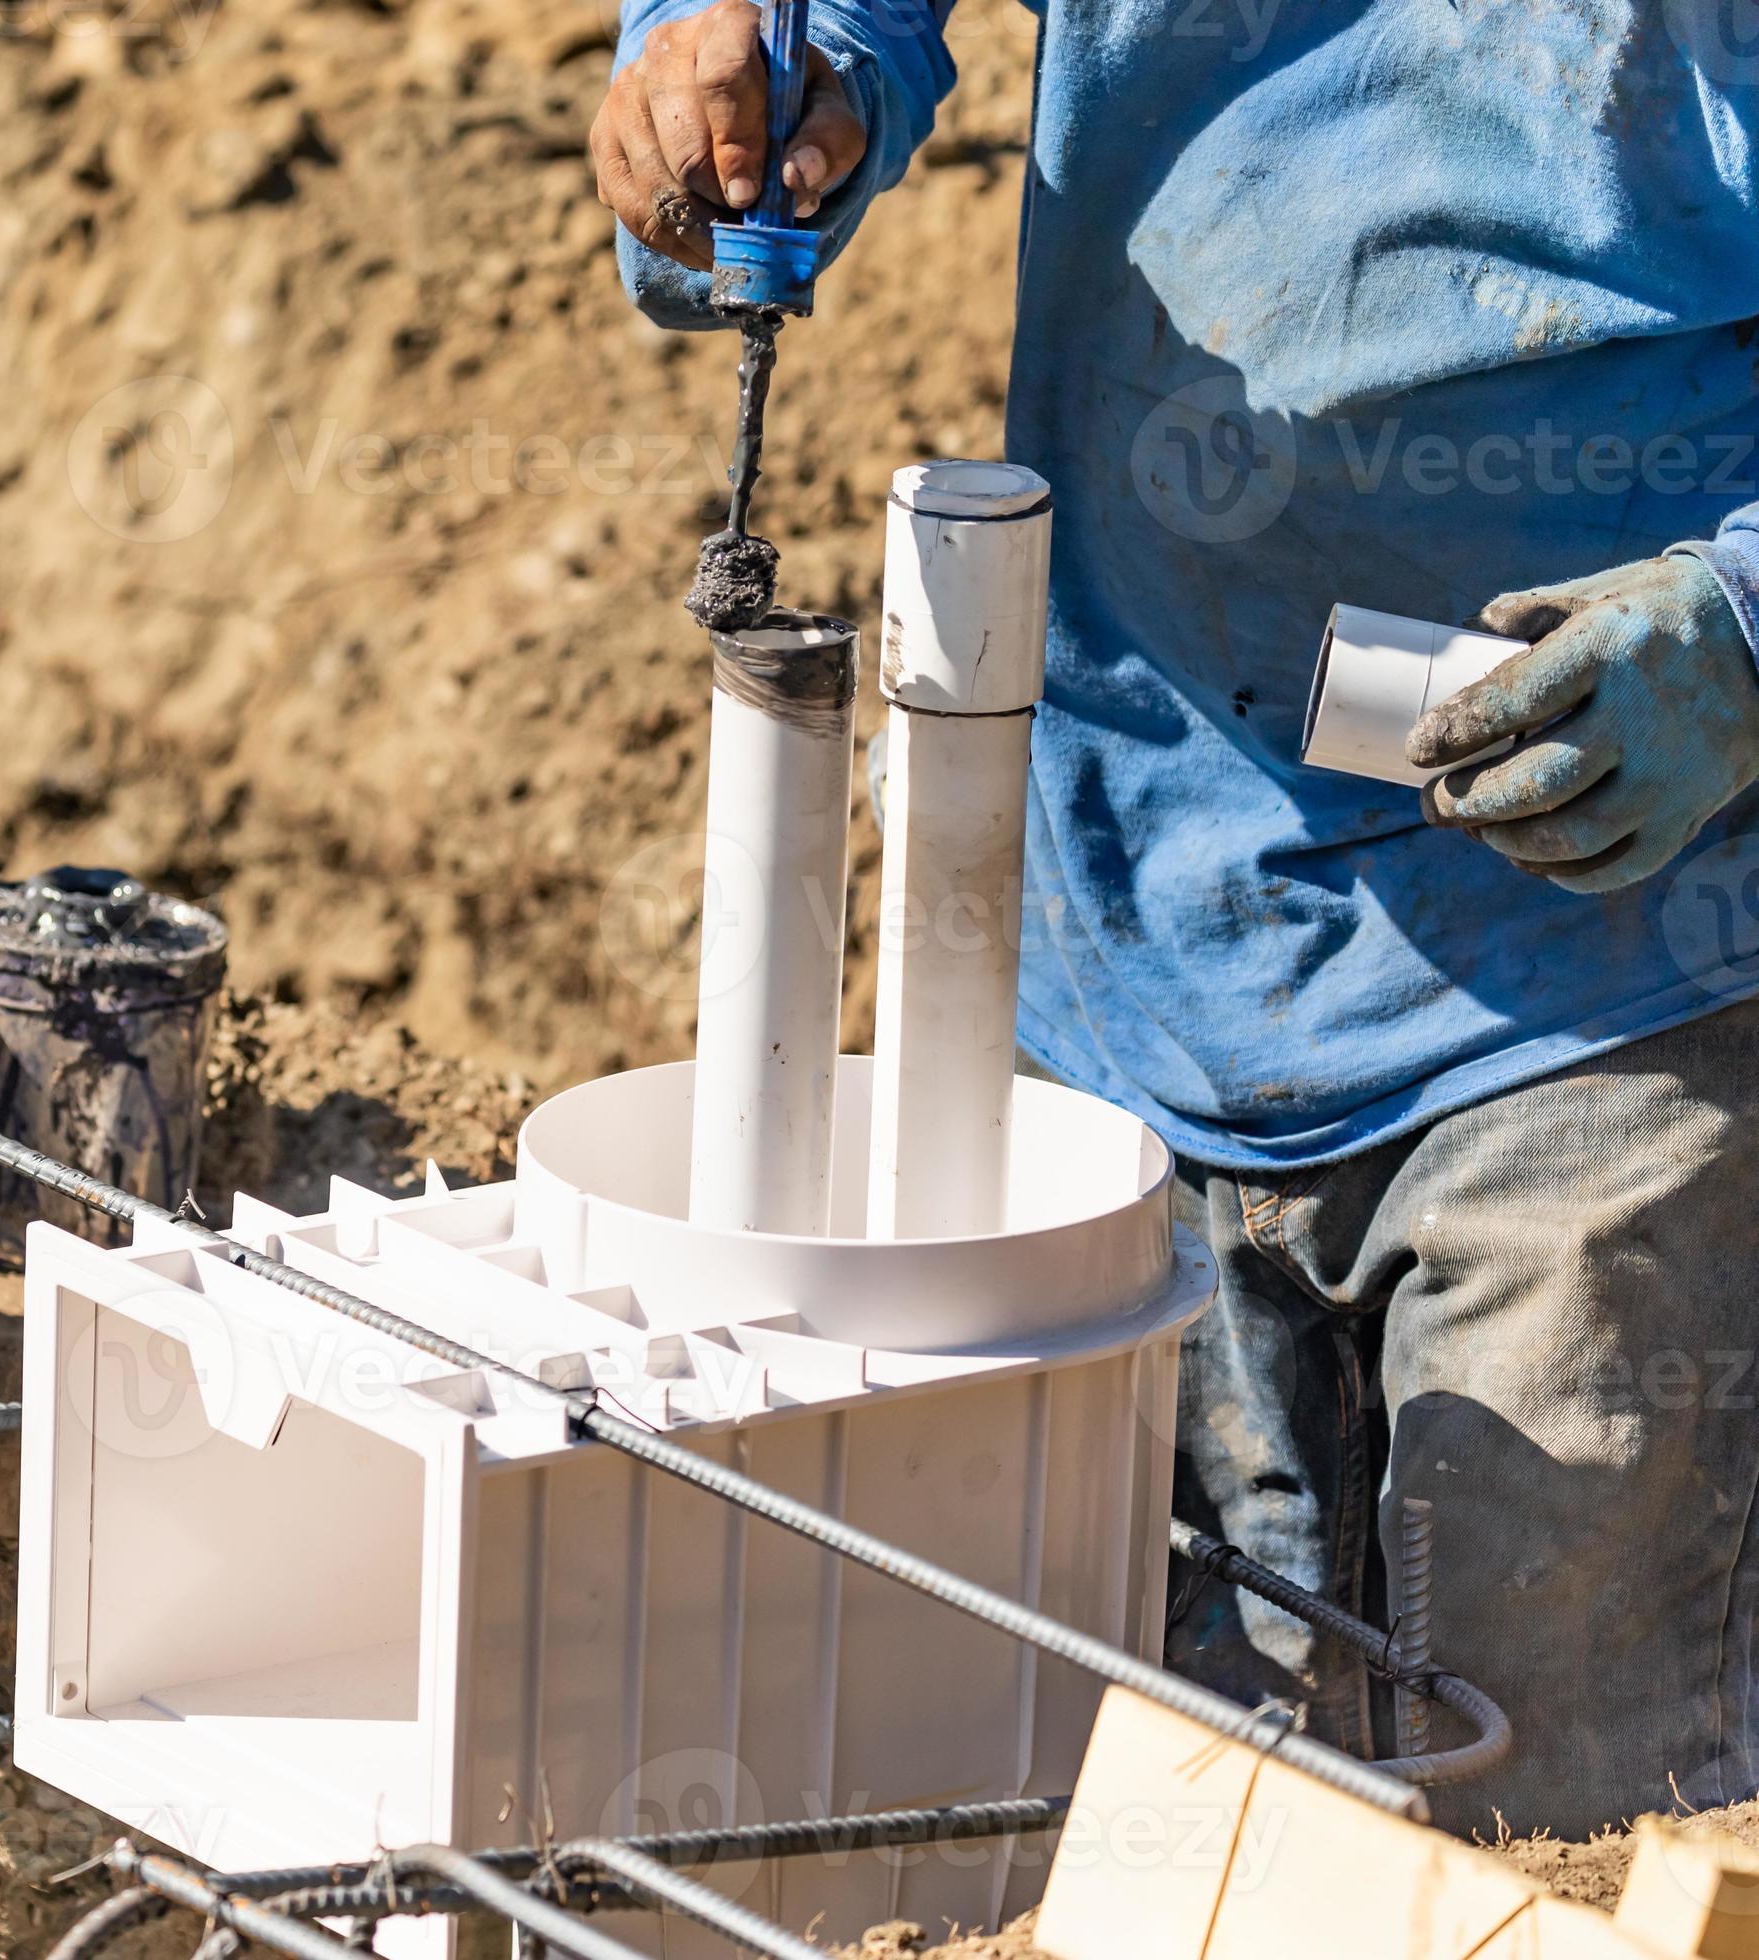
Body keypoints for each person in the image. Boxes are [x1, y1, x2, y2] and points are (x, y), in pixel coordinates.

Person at [594, 0, 1759, 1835]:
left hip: (1598, 994)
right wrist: (766, 63)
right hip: (1120, 950)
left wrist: (1745, 631)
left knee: (1557, 1827)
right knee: (1127, 1819)